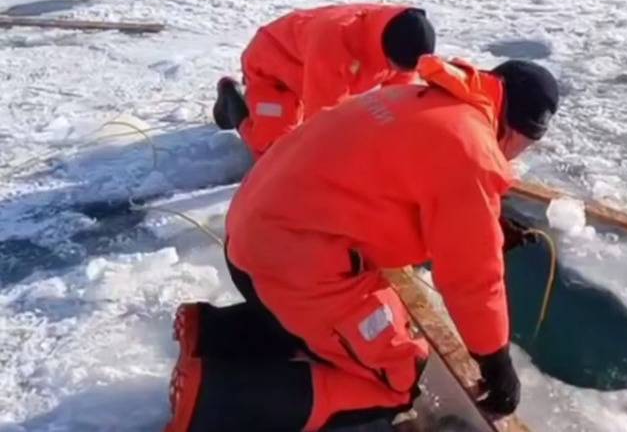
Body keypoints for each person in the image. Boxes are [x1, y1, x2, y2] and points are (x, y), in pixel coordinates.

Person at [165, 54, 560, 432]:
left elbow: (395, 184)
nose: (517, 156)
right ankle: (213, 398)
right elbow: (472, 278)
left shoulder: (419, 98)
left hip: (258, 232)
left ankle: (212, 334)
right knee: (397, 377)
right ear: (513, 127)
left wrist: (483, 222)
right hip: (290, 260)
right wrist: (495, 362)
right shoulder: (472, 150)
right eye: (524, 144)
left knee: (381, 323)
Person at [212, 3, 436, 160]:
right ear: (387, 54)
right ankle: (232, 98)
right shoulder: (335, 41)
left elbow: (396, 103)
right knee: (275, 157)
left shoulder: (403, 38)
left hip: (317, 74)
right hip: (273, 69)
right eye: (396, 67)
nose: (398, 72)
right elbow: (324, 122)